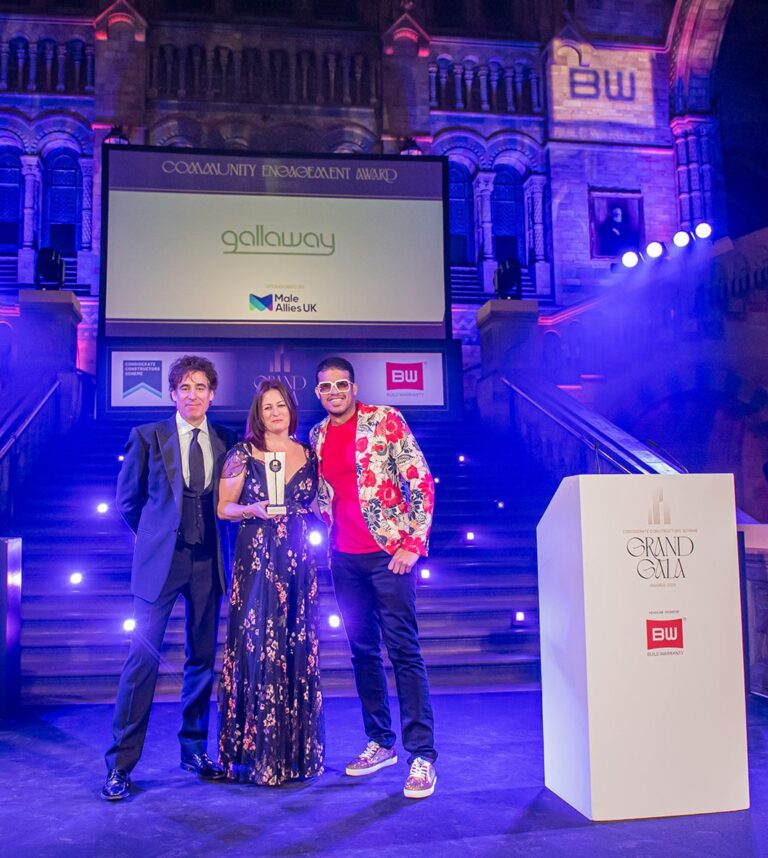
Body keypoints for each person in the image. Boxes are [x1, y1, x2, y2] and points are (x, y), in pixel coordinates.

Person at [102, 355, 237, 800]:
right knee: (141, 662)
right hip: (161, 564)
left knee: (201, 660)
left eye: (201, 387)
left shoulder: (225, 439)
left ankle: (194, 750)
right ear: (173, 393)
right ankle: (120, 765)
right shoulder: (147, 437)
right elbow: (128, 502)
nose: (193, 394)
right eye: (184, 387)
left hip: (207, 564)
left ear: (211, 394)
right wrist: (157, 537)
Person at [310, 356, 437, 799]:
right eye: (325, 388)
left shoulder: (384, 420)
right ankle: (380, 743)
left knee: (404, 652)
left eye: (340, 385)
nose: (334, 393)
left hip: (389, 556)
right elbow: (326, 494)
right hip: (343, 558)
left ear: (354, 386)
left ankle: (421, 754)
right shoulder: (318, 435)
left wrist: (412, 543)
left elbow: (419, 480)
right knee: (363, 654)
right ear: (318, 393)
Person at [217, 379, 324, 785]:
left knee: (297, 644)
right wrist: (251, 509)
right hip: (258, 555)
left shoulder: (310, 454)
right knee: (259, 646)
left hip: (298, 557)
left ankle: (293, 755)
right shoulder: (241, 455)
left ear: (291, 409)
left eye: (281, 405)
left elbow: (316, 501)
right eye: (267, 408)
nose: (275, 412)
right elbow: (224, 508)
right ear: (257, 415)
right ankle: (256, 755)